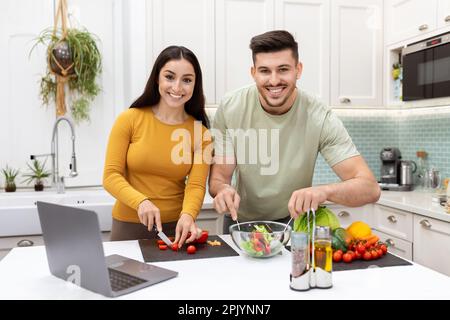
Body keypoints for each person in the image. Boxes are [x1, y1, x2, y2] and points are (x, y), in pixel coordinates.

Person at [209, 30, 381, 234]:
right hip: (241, 223)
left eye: (283, 69)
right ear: (253, 73)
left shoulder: (320, 116)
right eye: (264, 71)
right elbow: (219, 177)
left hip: (294, 225)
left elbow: (370, 188)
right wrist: (223, 190)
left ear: (298, 70)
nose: (274, 81)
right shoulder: (231, 108)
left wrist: (324, 191)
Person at [103, 46, 212, 247]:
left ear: (195, 85)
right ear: (157, 79)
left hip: (176, 230)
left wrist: (188, 215)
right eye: (170, 77)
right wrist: (141, 202)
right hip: (128, 226)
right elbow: (110, 176)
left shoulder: (201, 134)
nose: (177, 87)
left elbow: (196, 186)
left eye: (187, 80)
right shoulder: (130, 119)